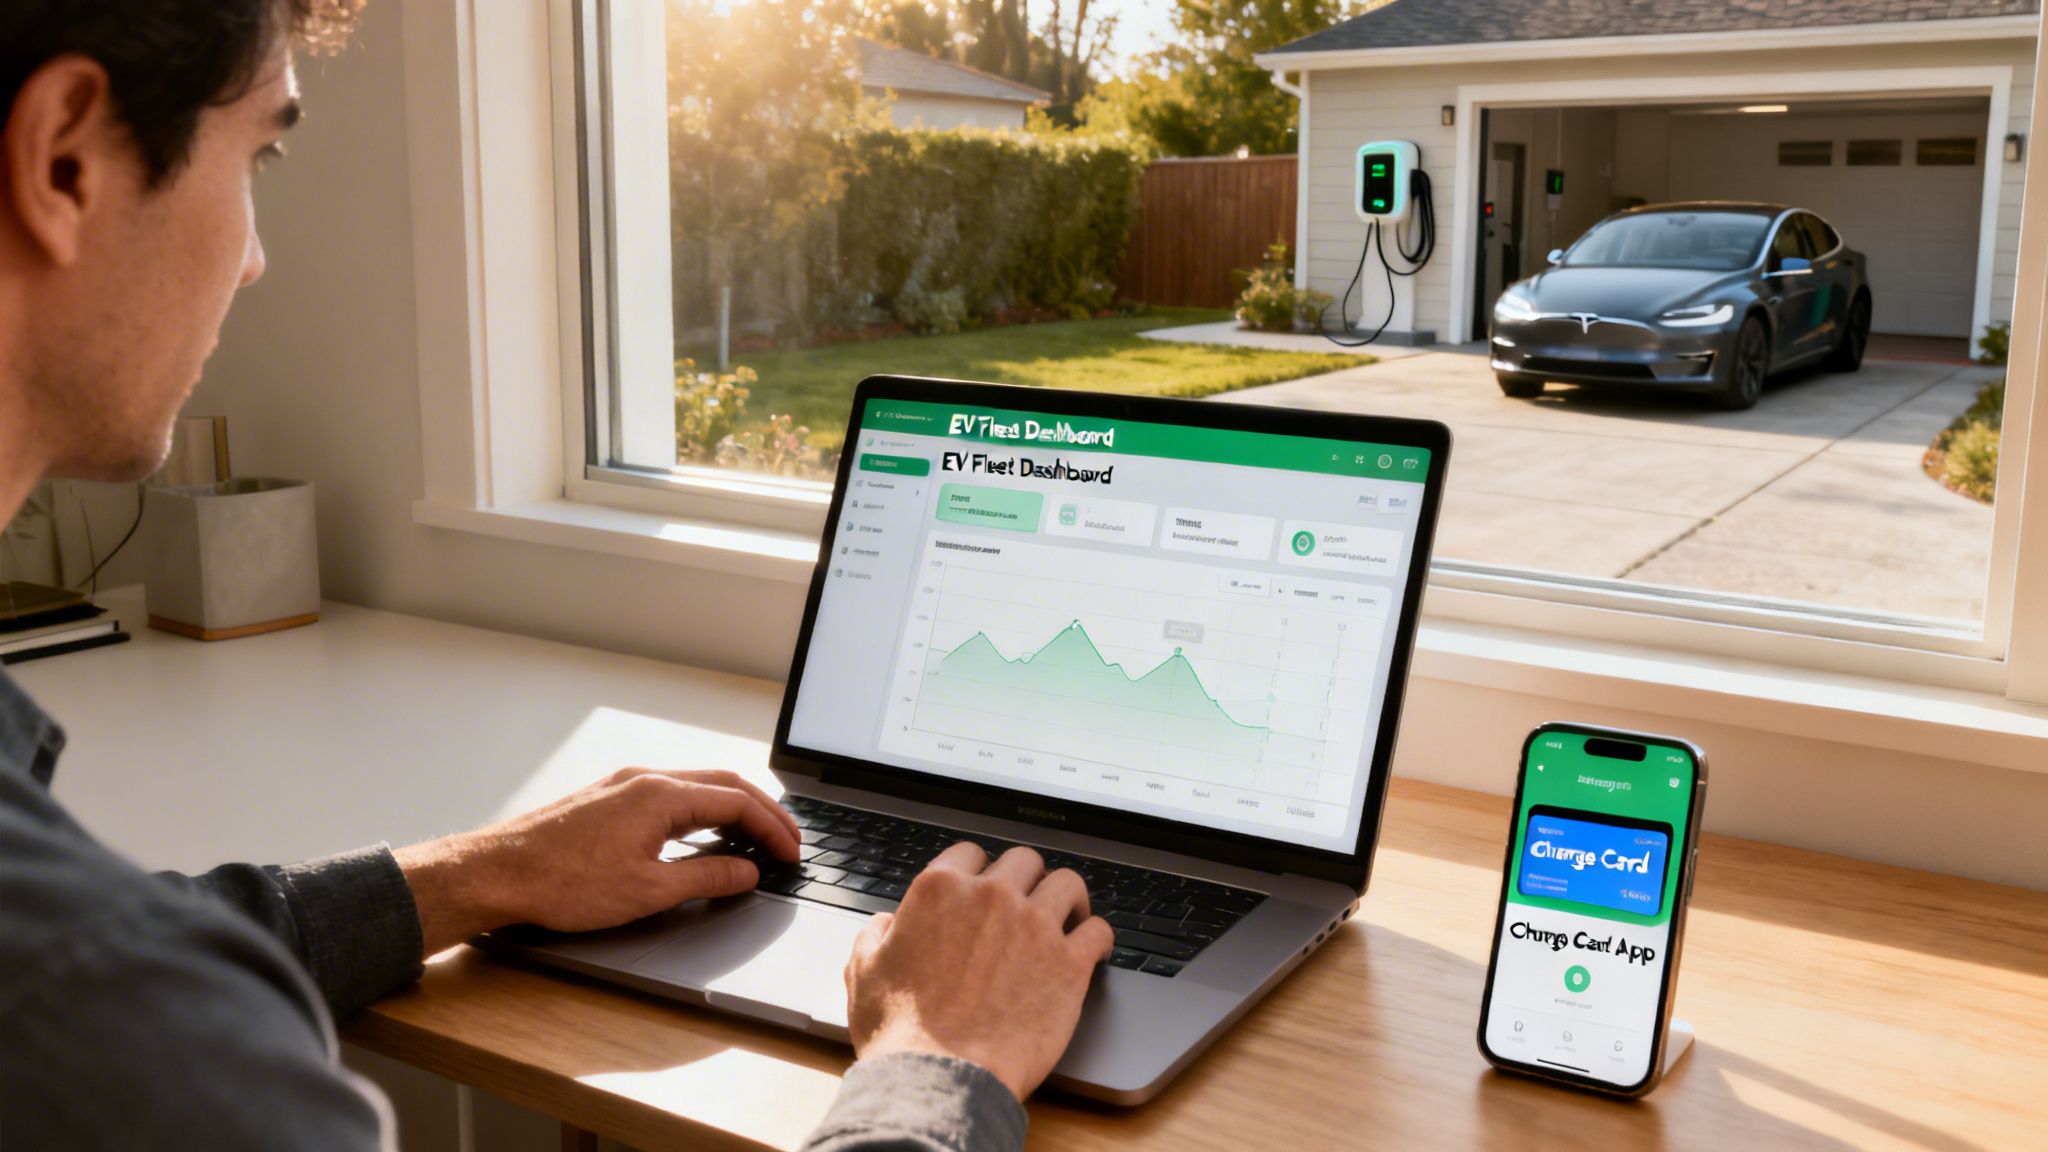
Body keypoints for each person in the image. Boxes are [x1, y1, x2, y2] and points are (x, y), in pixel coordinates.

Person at [0, 3, 1112, 1148]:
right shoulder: (137, 1046)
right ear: (64, 159)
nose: (252, 258)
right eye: (260, 153)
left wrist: (474, 878)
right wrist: (940, 1059)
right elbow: (118, 984)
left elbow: (152, 943)